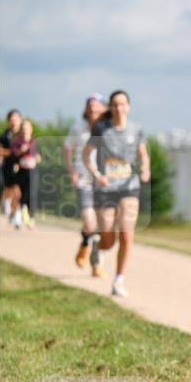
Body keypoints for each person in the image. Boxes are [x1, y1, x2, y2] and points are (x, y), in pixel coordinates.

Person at [82, 90, 150, 297]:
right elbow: (86, 155)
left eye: (123, 104)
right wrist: (97, 174)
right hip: (105, 189)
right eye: (115, 105)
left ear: (128, 107)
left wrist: (146, 169)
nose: (119, 108)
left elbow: (143, 155)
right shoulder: (102, 129)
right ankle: (97, 245)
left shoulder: (136, 129)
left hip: (129, 187)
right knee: (109, 240)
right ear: (111, 108)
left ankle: (119, 279)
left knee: (127, 234)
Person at [64, 94, 108, 273]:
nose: (93, 110)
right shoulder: (78, 128)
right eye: (90, 107)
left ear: (103, 109)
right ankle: (84, 245)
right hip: (84, 178)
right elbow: (68, 149)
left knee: (102, 225)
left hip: (104, 181)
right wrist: (71, 172)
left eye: (96, 107)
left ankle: (96, 264)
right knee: (90, 224)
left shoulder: (107, 128)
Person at [11, 120, 42, 229]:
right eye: (23, 128)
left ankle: (31, 217)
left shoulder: (34, 142)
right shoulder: (17, 142)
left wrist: (37, 158)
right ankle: (20, 215)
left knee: (32, 193)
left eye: (27, 127)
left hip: (32, 171)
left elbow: (39, 156)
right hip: (22, 171)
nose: (25, 130)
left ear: (31, 129)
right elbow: (13, 156)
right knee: (22, 194)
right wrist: (20, 151)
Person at [1, 109, 24, 224]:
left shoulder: (23, 133)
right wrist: (10, 152)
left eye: (16, 119)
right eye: (12, 119)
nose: (14, 121)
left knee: (18, 192)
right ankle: (10, 208)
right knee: (10, 189)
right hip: (8, 167)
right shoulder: (6, 134)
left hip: (22, 166)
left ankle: (17, 214)